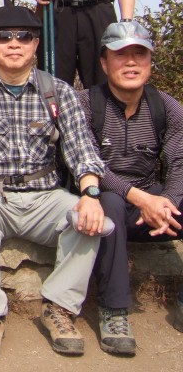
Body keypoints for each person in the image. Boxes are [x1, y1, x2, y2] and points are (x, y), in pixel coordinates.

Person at [0, 5, 107, 358]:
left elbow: (82, 151)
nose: (14, 43)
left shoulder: (59, 92)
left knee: (89, 219)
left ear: (36, 44)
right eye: (4, 37)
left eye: (24, 36)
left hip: (45, 196)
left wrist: (91, 194)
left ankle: (59, 308)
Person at [79, 21, 183, 354]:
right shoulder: (86, 104)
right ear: (104, 62)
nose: (131, 63)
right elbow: (91, 165)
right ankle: (114, 310)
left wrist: (166, 202)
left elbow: (180, 162)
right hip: (107, 203)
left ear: (151, 62)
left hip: (154, 205)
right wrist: (143, 200)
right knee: (108, 202)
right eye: (121, 55)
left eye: (140, 54)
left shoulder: (166, 107)